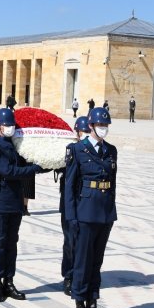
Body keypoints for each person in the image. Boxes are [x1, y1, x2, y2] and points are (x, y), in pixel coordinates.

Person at [65, 107, 117, 308]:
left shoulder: (112, 151)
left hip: (104, 213)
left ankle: (93, 304)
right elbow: (70, 187)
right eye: (100, 126)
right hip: (84, 213)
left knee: (96, 263)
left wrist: (111, 211)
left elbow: (112, 183)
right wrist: (72, 217)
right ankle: (79, 307)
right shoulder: (78, 150)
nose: (104, 129)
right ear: (92, 126)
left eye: (106, 126)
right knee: (82, 262)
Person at [0, 108, 44, 302]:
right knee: (0, 243)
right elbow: (9, 171)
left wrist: (43, 163)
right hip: (1, 201)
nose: (10, 128)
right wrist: (32, 169)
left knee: (12, 243)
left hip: (15, 201)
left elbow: (27, 162)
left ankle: (9, 281)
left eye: (12, 125)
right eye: (6, 125)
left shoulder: (18, 146)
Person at [55, 116, 91, 295]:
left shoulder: (93, 151)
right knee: (70, 241)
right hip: (69, 203)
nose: (85, 135)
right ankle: (68, 276)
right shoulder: (70, 150)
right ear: (76, 133)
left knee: (84, 243)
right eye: (82, 132)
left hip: (86, 204)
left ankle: (80, 276)